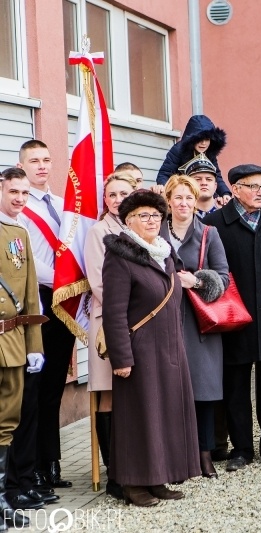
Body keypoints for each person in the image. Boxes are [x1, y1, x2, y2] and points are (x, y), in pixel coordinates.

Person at [102, 191, 201, 506]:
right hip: (139, 352)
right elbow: (114, 312)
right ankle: (132, 484)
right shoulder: (120, 256)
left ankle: (158, 478)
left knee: (165, 416)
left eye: (156, 216)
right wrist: (121, 357)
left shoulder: (165, 252)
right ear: (129, 221)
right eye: (143, 216)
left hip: (169, 349)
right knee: (139, 418)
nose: (151, 221)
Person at [203, 164, 261, 471]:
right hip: (233, 319)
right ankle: (241, 448)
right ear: (235, 189)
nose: (260, 192)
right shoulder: (215, 224)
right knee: (235, 385)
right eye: (253, 187)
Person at [160, 174, 229, 479]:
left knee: (203, 392)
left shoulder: (208, 233)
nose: (184, 203)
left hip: (200, 324)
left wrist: (197, 280)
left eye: (189, 197)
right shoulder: (155, 232)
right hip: (164, 322)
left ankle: (204, 456)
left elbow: (224, 277)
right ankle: (175, 459)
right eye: (178, 197)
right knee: (170, 392)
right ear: (168, 201)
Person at [16, 140, 75, 491]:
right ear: (21, 165)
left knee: (55, 385)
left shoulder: (63, 205)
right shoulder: (19, 209)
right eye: (34, 160)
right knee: (34, 387)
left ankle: (51, 463)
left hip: (64, 299)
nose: (42, 166)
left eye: (46, 159)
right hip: (37, 298)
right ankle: (32, 468)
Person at [84, 170, 138, 499]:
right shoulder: (97, 231)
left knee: (132, 392)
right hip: (108, 321)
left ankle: (134, 464)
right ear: (104, 199)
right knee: (109, 392)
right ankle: (113, 472)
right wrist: (128, 309)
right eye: (112, 194)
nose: (118, 199)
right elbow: (98, 281)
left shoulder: (138, 227)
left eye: (123, 193)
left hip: (140, 322)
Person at [0, 168, 47, 525]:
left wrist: (35, 345)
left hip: (13, 342)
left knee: (7, 423)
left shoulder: (20, 233)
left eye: (24, 193)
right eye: (13, 191)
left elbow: (31, 294)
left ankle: (2, 501)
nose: (19, 198)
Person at [155, 115, 231, 202]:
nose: (203, 143)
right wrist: (165, 188)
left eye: (207, 139)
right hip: (183, 193)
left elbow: (216, 175)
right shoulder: (178, 150)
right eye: (199, 139)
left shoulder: (210, 152)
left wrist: (225, 193)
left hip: (203, 195)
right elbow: (164, 173)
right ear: (191, 139)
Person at [180, 153, 221, 218]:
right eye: (198, 179)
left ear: (215, 186)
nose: (204, 183)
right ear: (188, 184)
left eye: (209, 179)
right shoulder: (180, 216)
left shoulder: (227, 212)